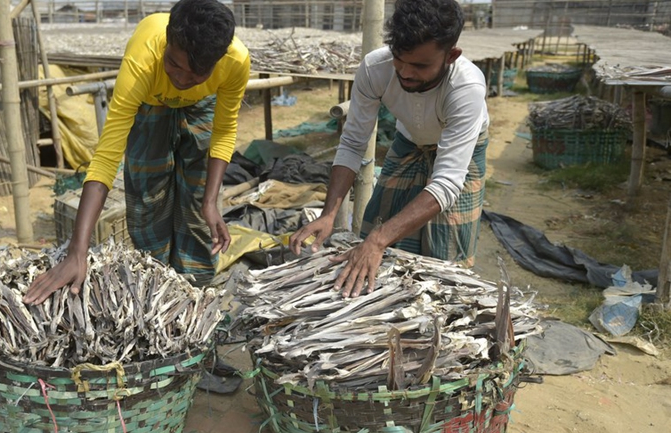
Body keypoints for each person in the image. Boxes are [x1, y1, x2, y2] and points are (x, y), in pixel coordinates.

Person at [24, 0, 250, 304]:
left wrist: (210, 202)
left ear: (217, 61)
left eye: (195, 74)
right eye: (174, 64)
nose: (181, 80)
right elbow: (107, 155)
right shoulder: (143, 59)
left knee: (197, 209)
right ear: (167, 40)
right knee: (147, 200)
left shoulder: (235, 62)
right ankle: (152, 289)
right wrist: (77, 252)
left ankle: (193, 297)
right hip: (151, 102)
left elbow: (224, 130)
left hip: (202, 106)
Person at [289, 0, 489, 298]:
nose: (405, 73)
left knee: (445, 251)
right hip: (408, 142)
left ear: (451, 56)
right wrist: (329, 213)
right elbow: (353, 142)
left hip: (464, 152)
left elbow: (447, 183)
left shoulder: (466, 88)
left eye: (420, 65)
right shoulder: (376, 67)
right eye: (399, 59)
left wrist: (377, 241)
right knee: (381, 224)